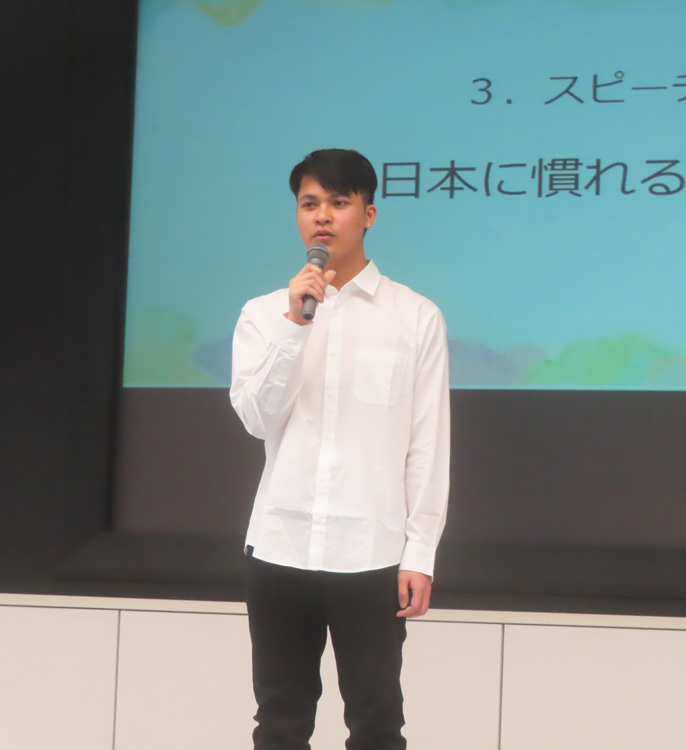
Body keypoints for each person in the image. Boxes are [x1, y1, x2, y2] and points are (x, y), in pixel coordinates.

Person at [229, 148, 450, 750]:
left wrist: (420, 551)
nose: (322, 216)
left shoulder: (416, 317)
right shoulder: (264, 314)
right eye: (309, 204)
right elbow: (256, 419)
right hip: (280, 544)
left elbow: (427, 444)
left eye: (338, 202)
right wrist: (294, 326)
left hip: (371, 552)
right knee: (279, 721)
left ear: (368, 214)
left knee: (377, 724)